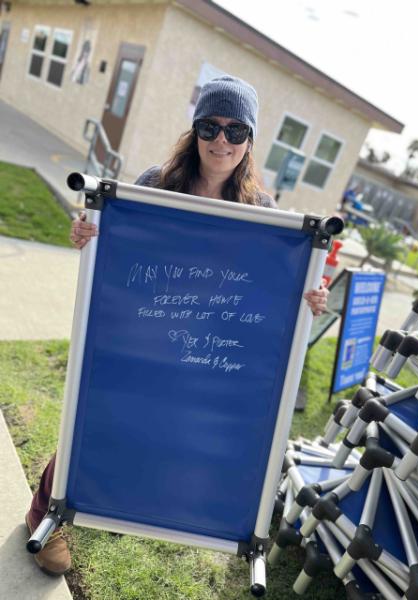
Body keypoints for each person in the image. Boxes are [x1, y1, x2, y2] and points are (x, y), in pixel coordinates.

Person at [26, 75, 329, 576]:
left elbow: (273, 288)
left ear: (249, 141)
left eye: (236, 131)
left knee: (170, 436)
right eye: (210, 127)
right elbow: (113, 244)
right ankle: (48, 516)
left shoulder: (263, 213)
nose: (221, 141)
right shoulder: (153, 185)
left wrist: (308, 294)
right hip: (138, 335)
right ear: (195, 131)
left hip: (209, 351)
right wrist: (87, 233)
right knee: (94, 419)